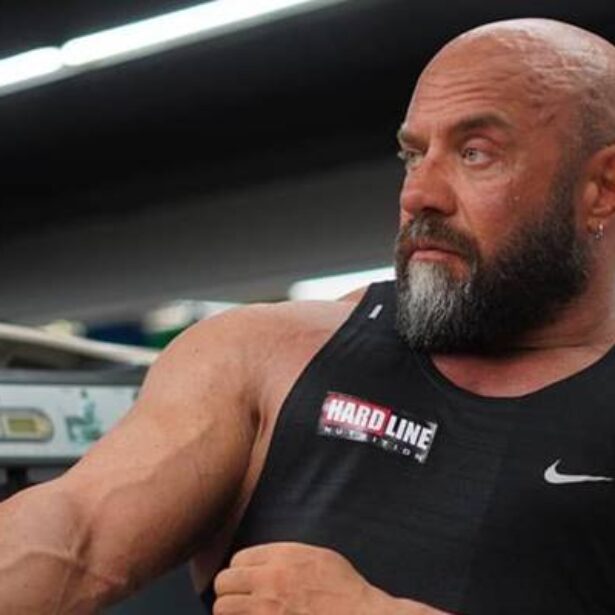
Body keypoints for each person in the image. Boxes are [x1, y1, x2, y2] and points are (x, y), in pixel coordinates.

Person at [1, 16, 615, 615]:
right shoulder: (267, 359)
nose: (418, 194)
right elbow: (76, 536)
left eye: (475, 153)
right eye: (413, 155)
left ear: (602, 188)